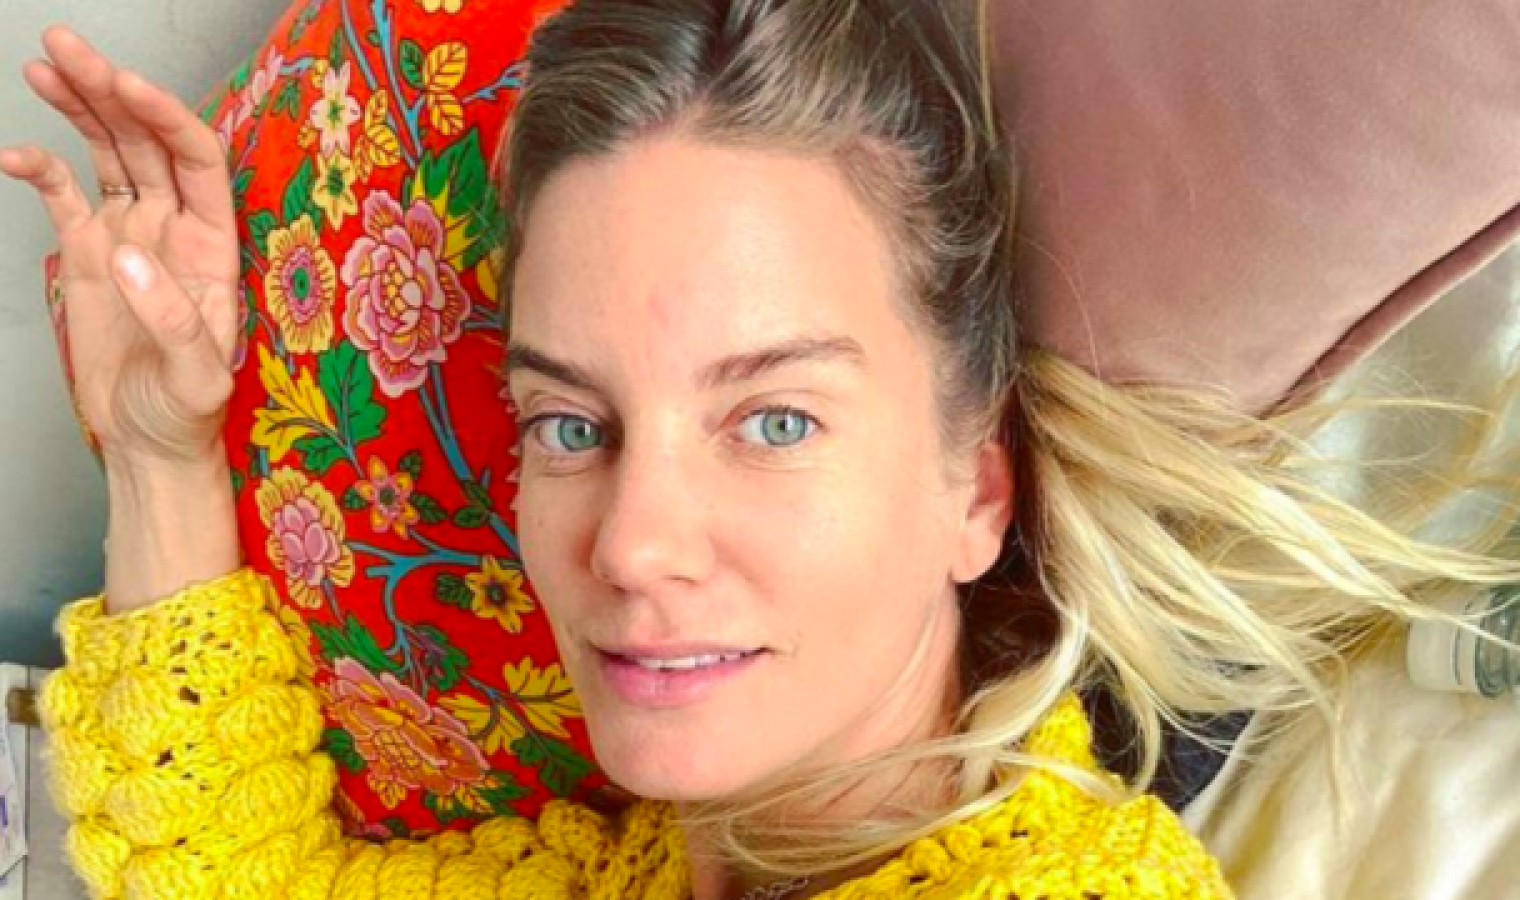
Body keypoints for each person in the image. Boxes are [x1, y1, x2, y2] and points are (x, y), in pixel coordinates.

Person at [4, 1, 1517, 898]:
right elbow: (246, 877)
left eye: (774, 420)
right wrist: (160, 452)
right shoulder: (635, 862)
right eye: (572, 424)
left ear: (976, 484)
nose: (631, 545)